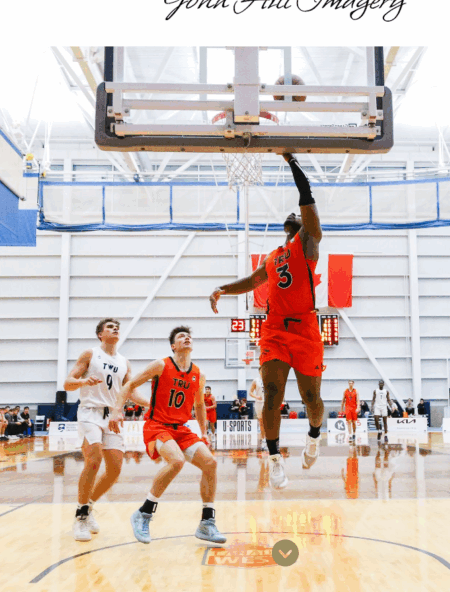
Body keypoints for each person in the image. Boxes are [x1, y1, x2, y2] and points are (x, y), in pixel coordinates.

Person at [208, 152, 324, 488]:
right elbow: (253, 281)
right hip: (274, 328)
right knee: (272, 394)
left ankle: (314, 435)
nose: (293, 219)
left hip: (305, 327)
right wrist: (223, 288)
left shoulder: (309, 244)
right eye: (291, 220)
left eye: (298, 219)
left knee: (310, 399)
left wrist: (291, 163)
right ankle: (274, 458)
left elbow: (308, 201)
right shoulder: (274, 256)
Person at [121, 326, 225, 545]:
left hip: (181, 428)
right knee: (177, 462)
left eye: (189, 336)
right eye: (181, 336)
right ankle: (144, 514)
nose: (186, 337)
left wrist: (204, 433)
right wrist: (115, 410)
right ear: (173, 345)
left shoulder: (198, 373)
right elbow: (130, 385)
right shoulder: (161, 365)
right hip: (157, 425)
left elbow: (198, 404)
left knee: (210, 463)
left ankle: (207, 523)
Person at [64, 318, 141, 542]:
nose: (115, 329)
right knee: (94, 459)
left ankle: (88, 508)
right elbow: (68, 383)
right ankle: (80, 517)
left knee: (115, 470)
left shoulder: (124, 362)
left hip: (112, 415)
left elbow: (131, 393)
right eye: (110, 327)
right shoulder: (90, 354)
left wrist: (154, 403)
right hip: (89, 412)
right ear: (100, 334)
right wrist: (83, 382)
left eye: (117, 327)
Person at [248, 378, 265, 449]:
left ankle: (270, 440)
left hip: (267, 402)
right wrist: (256, 396)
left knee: (268, 422)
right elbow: (250, 392)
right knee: (261, 422)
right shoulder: (256, 380)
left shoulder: (270, 378)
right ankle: (263, 438)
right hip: (259, 403)